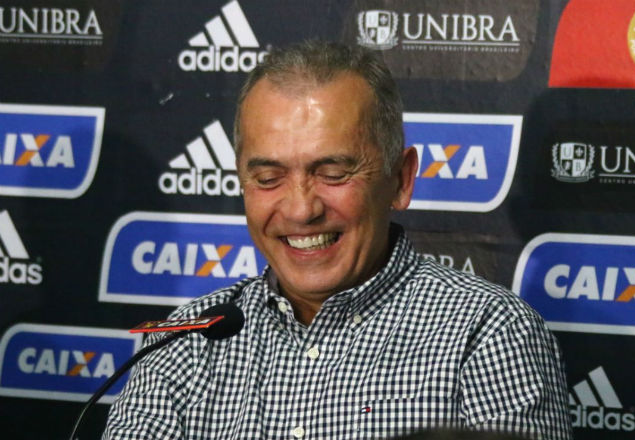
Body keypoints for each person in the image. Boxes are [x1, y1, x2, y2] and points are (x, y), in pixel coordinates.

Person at [103, 41, 572, 440]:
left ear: (401, 179)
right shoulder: (185, 340)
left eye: (332, 172)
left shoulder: (489, 333)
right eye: (268, 178)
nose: (300, 209)